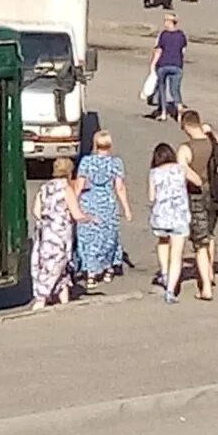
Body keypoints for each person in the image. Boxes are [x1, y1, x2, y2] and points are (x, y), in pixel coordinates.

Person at [30, 158, 93, 311]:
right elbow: (76, 214)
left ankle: (64, 299)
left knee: (53, 265)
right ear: (70, 171)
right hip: (61, 233)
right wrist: (91, 218)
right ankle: (42, 298)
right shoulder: (66, 188)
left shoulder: (44, 187)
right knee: (57, 264)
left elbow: (36, 211)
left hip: (46, 231)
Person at [75, 130, 132, 287]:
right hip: (107, 202)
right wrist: (126, 208)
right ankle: (108, 269)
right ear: (110, 145)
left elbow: (79, 185)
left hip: (89, 202)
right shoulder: (115, 163)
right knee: (108, 236)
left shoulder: (86, 162)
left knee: (89, 236)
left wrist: (72, 204)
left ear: (95, 144)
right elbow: (119, 187)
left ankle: (91, 273)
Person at [177, 109, 218, 299]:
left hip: (195, 196)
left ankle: (206, 286)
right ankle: (209, 273)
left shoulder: (186, 148)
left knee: (199, 242)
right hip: (216, 193)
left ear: (185, 125)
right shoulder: (213, 141)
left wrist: (196, 181)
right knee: (209, 233)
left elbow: (183, 171)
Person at [149, 141, 191, 304]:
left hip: (161, 215)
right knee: (177, 255)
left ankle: (164, 273)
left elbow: (151, 197)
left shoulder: (154, 173)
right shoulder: (180, 169)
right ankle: (170, 290)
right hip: (179, 215)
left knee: (163, 241)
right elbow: (196, 180)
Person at [148, 12, 187, 120]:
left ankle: (163, 112)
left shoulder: (163, 35)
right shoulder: (181, 35)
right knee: (175, 90)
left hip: (163, 64)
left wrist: (153, 64)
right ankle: (179, 110)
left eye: (166, 21)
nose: (164, 23)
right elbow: (183, 50)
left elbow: (159, 50)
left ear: (170, 22)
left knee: (162, 88)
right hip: (177, 66)